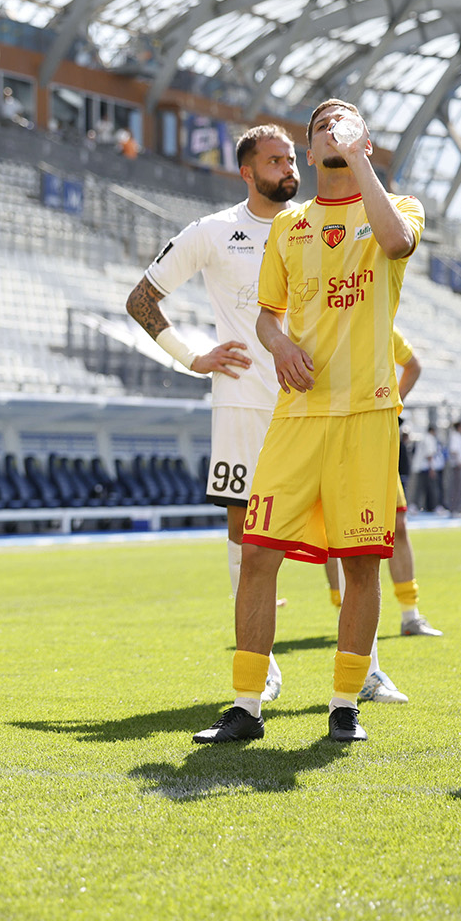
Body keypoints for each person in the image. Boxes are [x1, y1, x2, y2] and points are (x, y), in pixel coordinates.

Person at [193, 97, 424, 746]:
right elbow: (269, 313)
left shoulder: (399, 208)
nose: (328, 130)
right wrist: (279, 343)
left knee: (359, 564)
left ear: (365, 143)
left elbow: (397, 243)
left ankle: (345, 703)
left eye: (342, 125)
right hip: (297, 417)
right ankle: (245, 705)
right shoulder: (289, 229)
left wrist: (356, 159)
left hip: (366, 414)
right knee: (258, 551)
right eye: (320, 125)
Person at [126, 124, 300, 704]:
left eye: (291, 157)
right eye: (274, 160)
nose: (287, 167)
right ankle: (262, 663)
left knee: (342, 533)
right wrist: (193, 358)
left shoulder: (315, 226)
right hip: (243, 404)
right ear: (246, 172)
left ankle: (365, 668)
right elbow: (141, 298)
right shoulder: (214, 232)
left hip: (316, 403)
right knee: (244, 533)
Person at [323, 328, 442, 639]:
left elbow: (413, 365)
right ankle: (345, 615)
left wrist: (393, 405)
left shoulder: (382, 324)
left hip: (375, 437)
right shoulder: (326, 316)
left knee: (398, 522)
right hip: (329, 431)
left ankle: (410, 614)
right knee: (334, 529)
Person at [444, 420, 461, 514]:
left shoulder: (459, 437)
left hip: (460, 464)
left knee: (459, 488)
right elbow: (453, 450)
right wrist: (458, 461)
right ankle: (454, 508)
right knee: (456, 488)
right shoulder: (455, 437)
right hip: (457, 465)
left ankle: (458, 508)